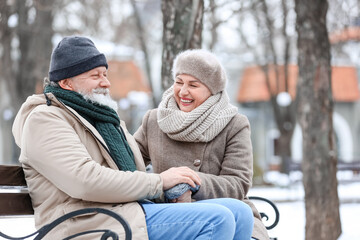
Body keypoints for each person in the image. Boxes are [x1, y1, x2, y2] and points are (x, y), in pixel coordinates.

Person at [12, 36, 254, 240]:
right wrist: (160, 182)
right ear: (66, 83)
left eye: (105, 74)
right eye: (95, 75)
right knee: (217, 219)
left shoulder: (102, 118)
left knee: (239, 212)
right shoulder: (45, 119)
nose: (106, 82)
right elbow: (85, 180)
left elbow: (129, 171)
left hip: (123, 210)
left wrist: (171, 187)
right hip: (85, 222)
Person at [134, 49, 270, 240]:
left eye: (193, 85)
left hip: (227, 209)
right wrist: (163, 185)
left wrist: (192, 183)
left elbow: (238, 183)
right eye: (179, 82)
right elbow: (127, 163)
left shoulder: (233, 123)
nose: (183, 91)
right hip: (169, 212)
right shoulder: (154, 120)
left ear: (212, 90)